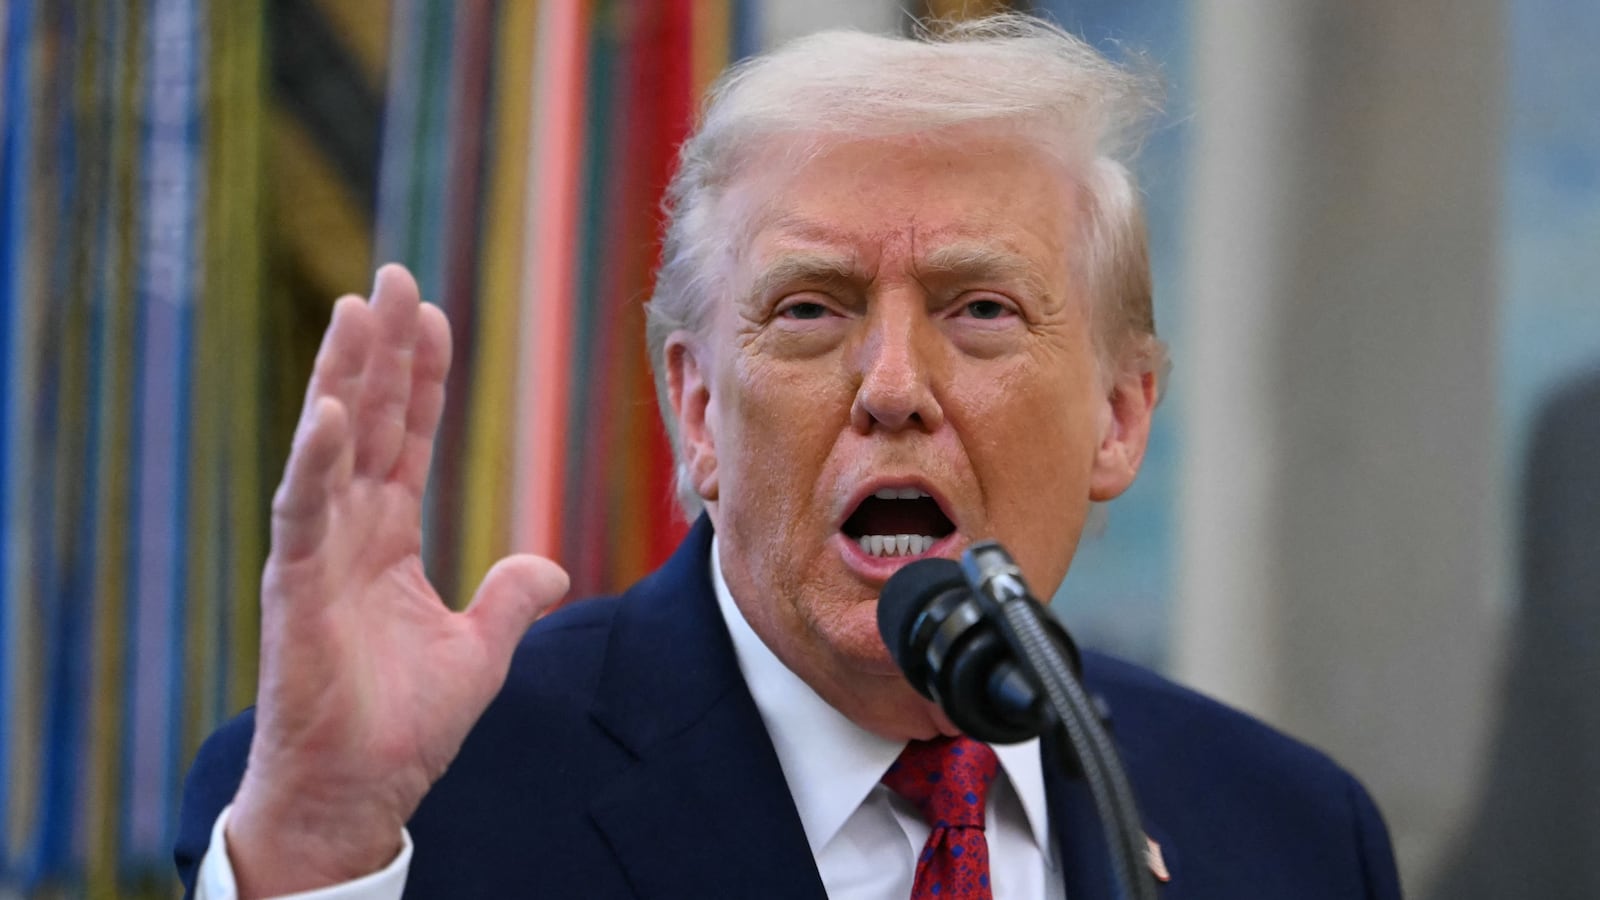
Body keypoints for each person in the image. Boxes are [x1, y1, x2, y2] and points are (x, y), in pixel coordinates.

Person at [176, 15, 1401, 899]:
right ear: (698, 413)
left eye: (980, 309)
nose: (891, 388)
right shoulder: (405, 816)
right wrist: (319, 863)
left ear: (1120, 418)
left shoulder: (1286, 833)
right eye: (810, 309)